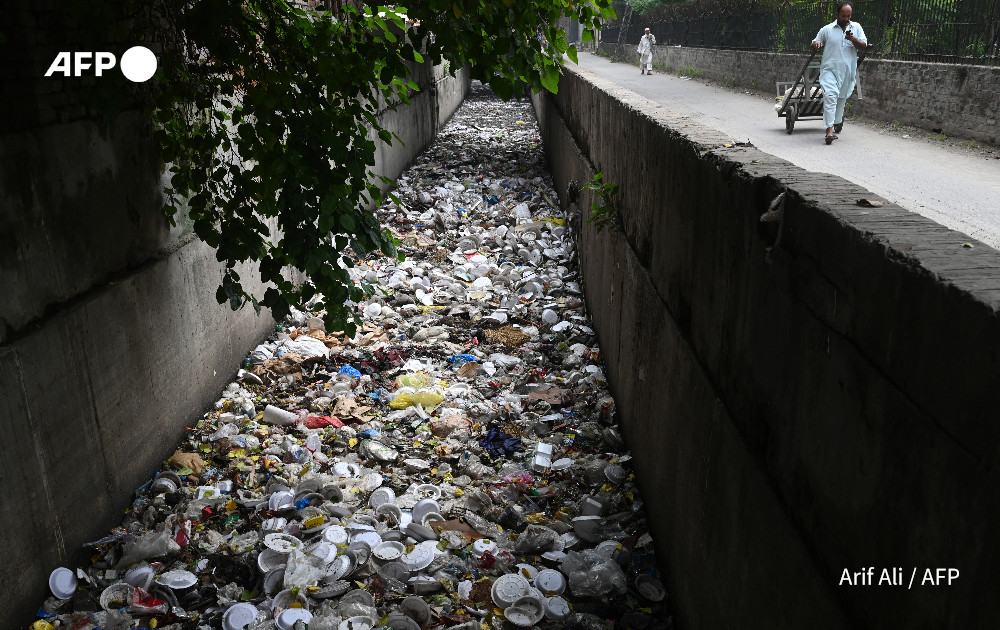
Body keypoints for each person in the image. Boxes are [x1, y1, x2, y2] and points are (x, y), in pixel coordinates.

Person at [811, 3, 867, 144]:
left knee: (841, 98)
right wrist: (816, 44)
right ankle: (829, 131)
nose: (846, 18)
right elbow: (814, 42)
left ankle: (835, 123)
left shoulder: (856, 28)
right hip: (829, 70)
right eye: (843, 16)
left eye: (848, 16)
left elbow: (864, 46)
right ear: (837, 15)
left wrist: (853, 39)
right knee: (831, 96)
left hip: (847, 72)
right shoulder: (827, 29)